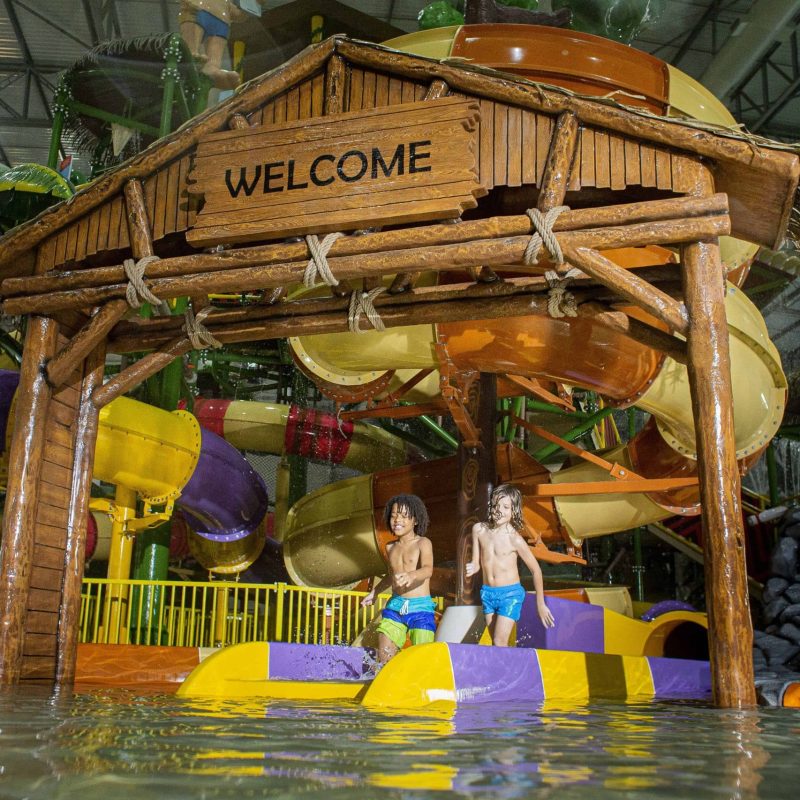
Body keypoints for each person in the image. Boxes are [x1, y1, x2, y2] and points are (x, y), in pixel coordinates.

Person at [466, 484, 555, 646]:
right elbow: (477, 562)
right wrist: (473, 566)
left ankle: (509, 670)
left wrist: (540, 604)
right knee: (496, 642)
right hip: (488, 594)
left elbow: (536, 570)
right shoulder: (478, 530)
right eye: (496, 506)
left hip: (510, 595)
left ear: (514, 511)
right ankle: (507, 669)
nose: (499, 510)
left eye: (506, 507)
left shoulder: (515, 539)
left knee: (500, 641)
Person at [361, 494, 435, 663]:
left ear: (415, 521)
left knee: (422, 659)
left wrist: (412, 575)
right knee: (384, 655)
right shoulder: (390, 547)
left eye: (403, 516)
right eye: (394, 515)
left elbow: (428, 570)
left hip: (420, 608)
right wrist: (375, 592)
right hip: (396, 606)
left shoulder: (423, 543)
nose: (397, 520)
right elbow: (390, 576)